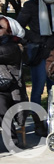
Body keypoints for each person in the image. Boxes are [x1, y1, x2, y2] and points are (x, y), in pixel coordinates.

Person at [16, 0, 54, 114]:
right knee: (38, 88)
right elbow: (19, 27)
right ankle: (38, 121)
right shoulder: (31, 5)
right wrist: (35, 38)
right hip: (40, 52)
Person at [0, 16, 26, 149]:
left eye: (0, 27)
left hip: (9, 89)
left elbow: (3, 53)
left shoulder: (14, 46)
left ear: (10, 31)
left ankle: (11, 142)